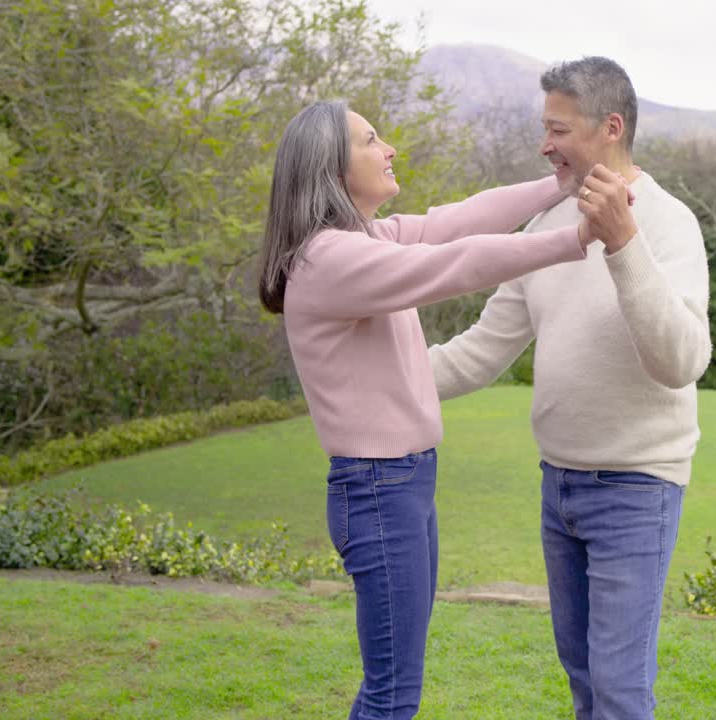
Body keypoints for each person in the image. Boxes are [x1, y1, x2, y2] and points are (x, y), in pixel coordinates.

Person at [256, 99, 617, 720]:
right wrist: (576, 238)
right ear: (332, 168)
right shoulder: (330, 259)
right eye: (371, 140)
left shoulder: (362, 240)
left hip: (402, 483)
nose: (389, 148)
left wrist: (561, 184)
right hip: (379, 490)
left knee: (394, 688)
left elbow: (458, 219)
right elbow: (455, 261)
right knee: (393, 694)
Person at [429, 57, 711, 719]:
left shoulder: (668, 224)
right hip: (558, 486)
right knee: (584, 678)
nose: (544, 145)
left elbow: (681, 361)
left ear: (611, 127)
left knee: (618, 689)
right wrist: (381, 379)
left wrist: (623, 244)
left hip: (637, 489)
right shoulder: (546, 225)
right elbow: (480, 351)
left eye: (558, 130)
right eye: (545, 128)